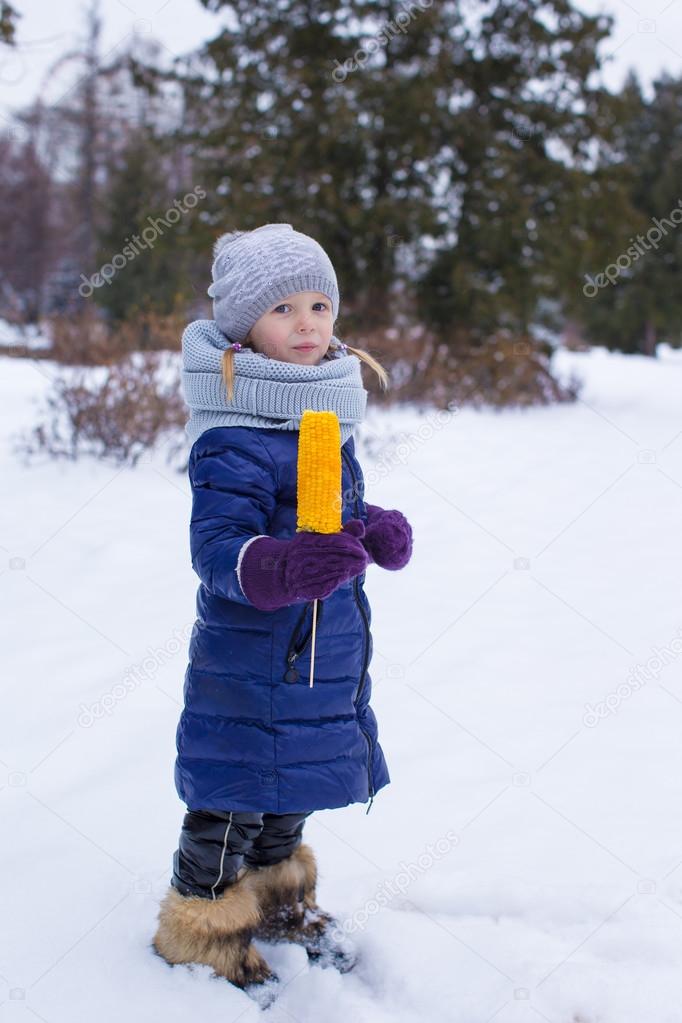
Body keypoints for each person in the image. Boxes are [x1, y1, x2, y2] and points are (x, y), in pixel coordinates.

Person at [152, 223, 414, 989]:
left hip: (320, 655)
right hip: (250, 655)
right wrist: (286, 563)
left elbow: (328, 515)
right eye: (284, 309)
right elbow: (219, 549)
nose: (308, 324)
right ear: (243, 326)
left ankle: (277, 904)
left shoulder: (328, 411)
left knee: (289, 792)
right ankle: (200, 934)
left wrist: (370, 531)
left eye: (321, 304)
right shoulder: (231, 430)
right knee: (233, 797)